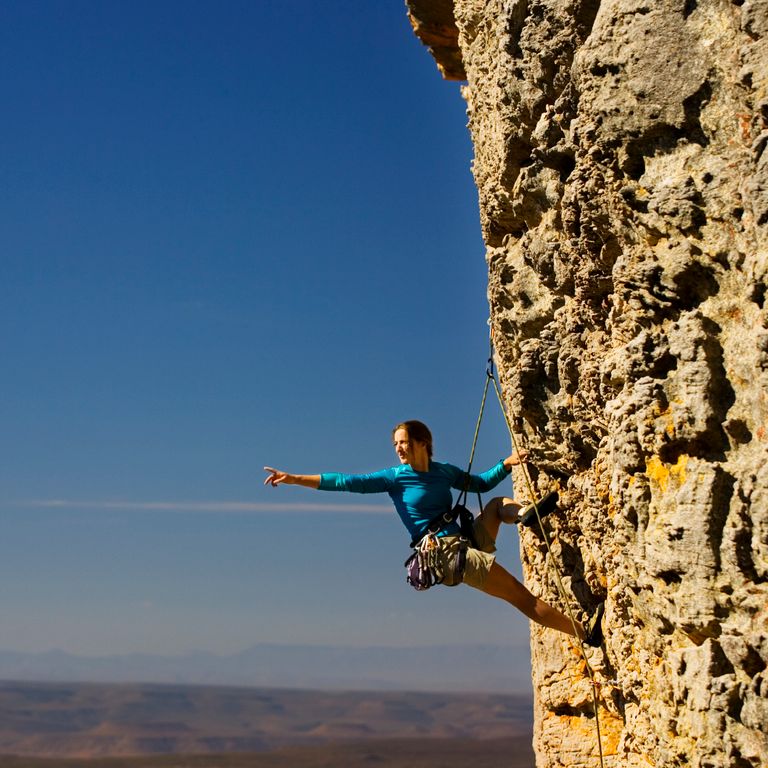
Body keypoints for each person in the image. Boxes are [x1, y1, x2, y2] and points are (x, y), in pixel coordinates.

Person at [264, 419, 603, 646]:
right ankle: (585, 634)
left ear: (423, 443)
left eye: (404, 442)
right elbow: (344, 482)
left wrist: (506, 464)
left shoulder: (443, 472)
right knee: (522, 597)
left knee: (499, 504)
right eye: (396, 444)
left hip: (467, 542)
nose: (399, 449)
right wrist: (295, 479)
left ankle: (526, 516)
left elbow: (479, 483)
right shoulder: (395, 478)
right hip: (447, 555)